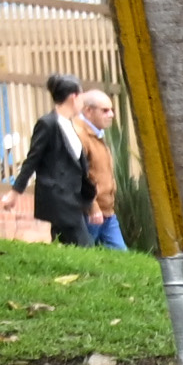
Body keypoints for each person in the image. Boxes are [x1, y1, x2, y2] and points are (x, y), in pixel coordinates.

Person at [11, 74, 99, 246]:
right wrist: (15, 192)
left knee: (64, 243)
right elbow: (33, 159)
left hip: (74, 197)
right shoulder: (48, 124)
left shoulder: (69, 124)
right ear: (74, 97)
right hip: (59, 197)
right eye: (81, 96)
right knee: (84, 244)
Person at [68, 87, 126, 248]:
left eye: (112, 110)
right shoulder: (78, 135)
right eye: (105, 110)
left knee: (121, 259)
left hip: (107, 213)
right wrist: (93, 208)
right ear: (88, 111)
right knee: (85, 257)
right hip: (89, 214)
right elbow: (79, 176)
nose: (111, 115)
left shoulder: (96, 134)